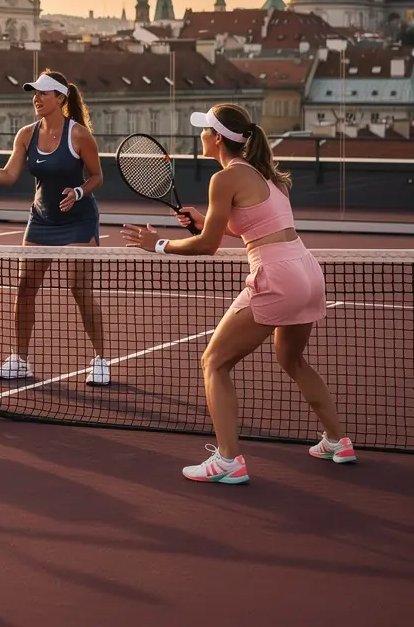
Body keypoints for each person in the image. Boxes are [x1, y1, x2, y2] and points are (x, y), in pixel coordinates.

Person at [121, 103, 355, 484]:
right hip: (307, 271)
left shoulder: (224, 179)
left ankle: (228, 460)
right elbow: (256, 225)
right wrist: (202, 221)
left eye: (204, 130)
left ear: (216, 139)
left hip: (276, 276)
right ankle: (337, 440)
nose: (201, 136)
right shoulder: (268, 175)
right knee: (292, 360)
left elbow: (205, 247)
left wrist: (158, 244)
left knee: (214, 362)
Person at [0, 70, 110, 385]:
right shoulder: (25, 134)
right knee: (25, 287)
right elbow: (8, 175)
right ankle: (19, 359)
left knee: (79, 288)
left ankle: (101, 359)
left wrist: (78, 192)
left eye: (44, 93)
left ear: (60, 98)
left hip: (78, 220)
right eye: (34, 93)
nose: (37, 98)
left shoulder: (79, 136)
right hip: (41, 219)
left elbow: (97, 176)